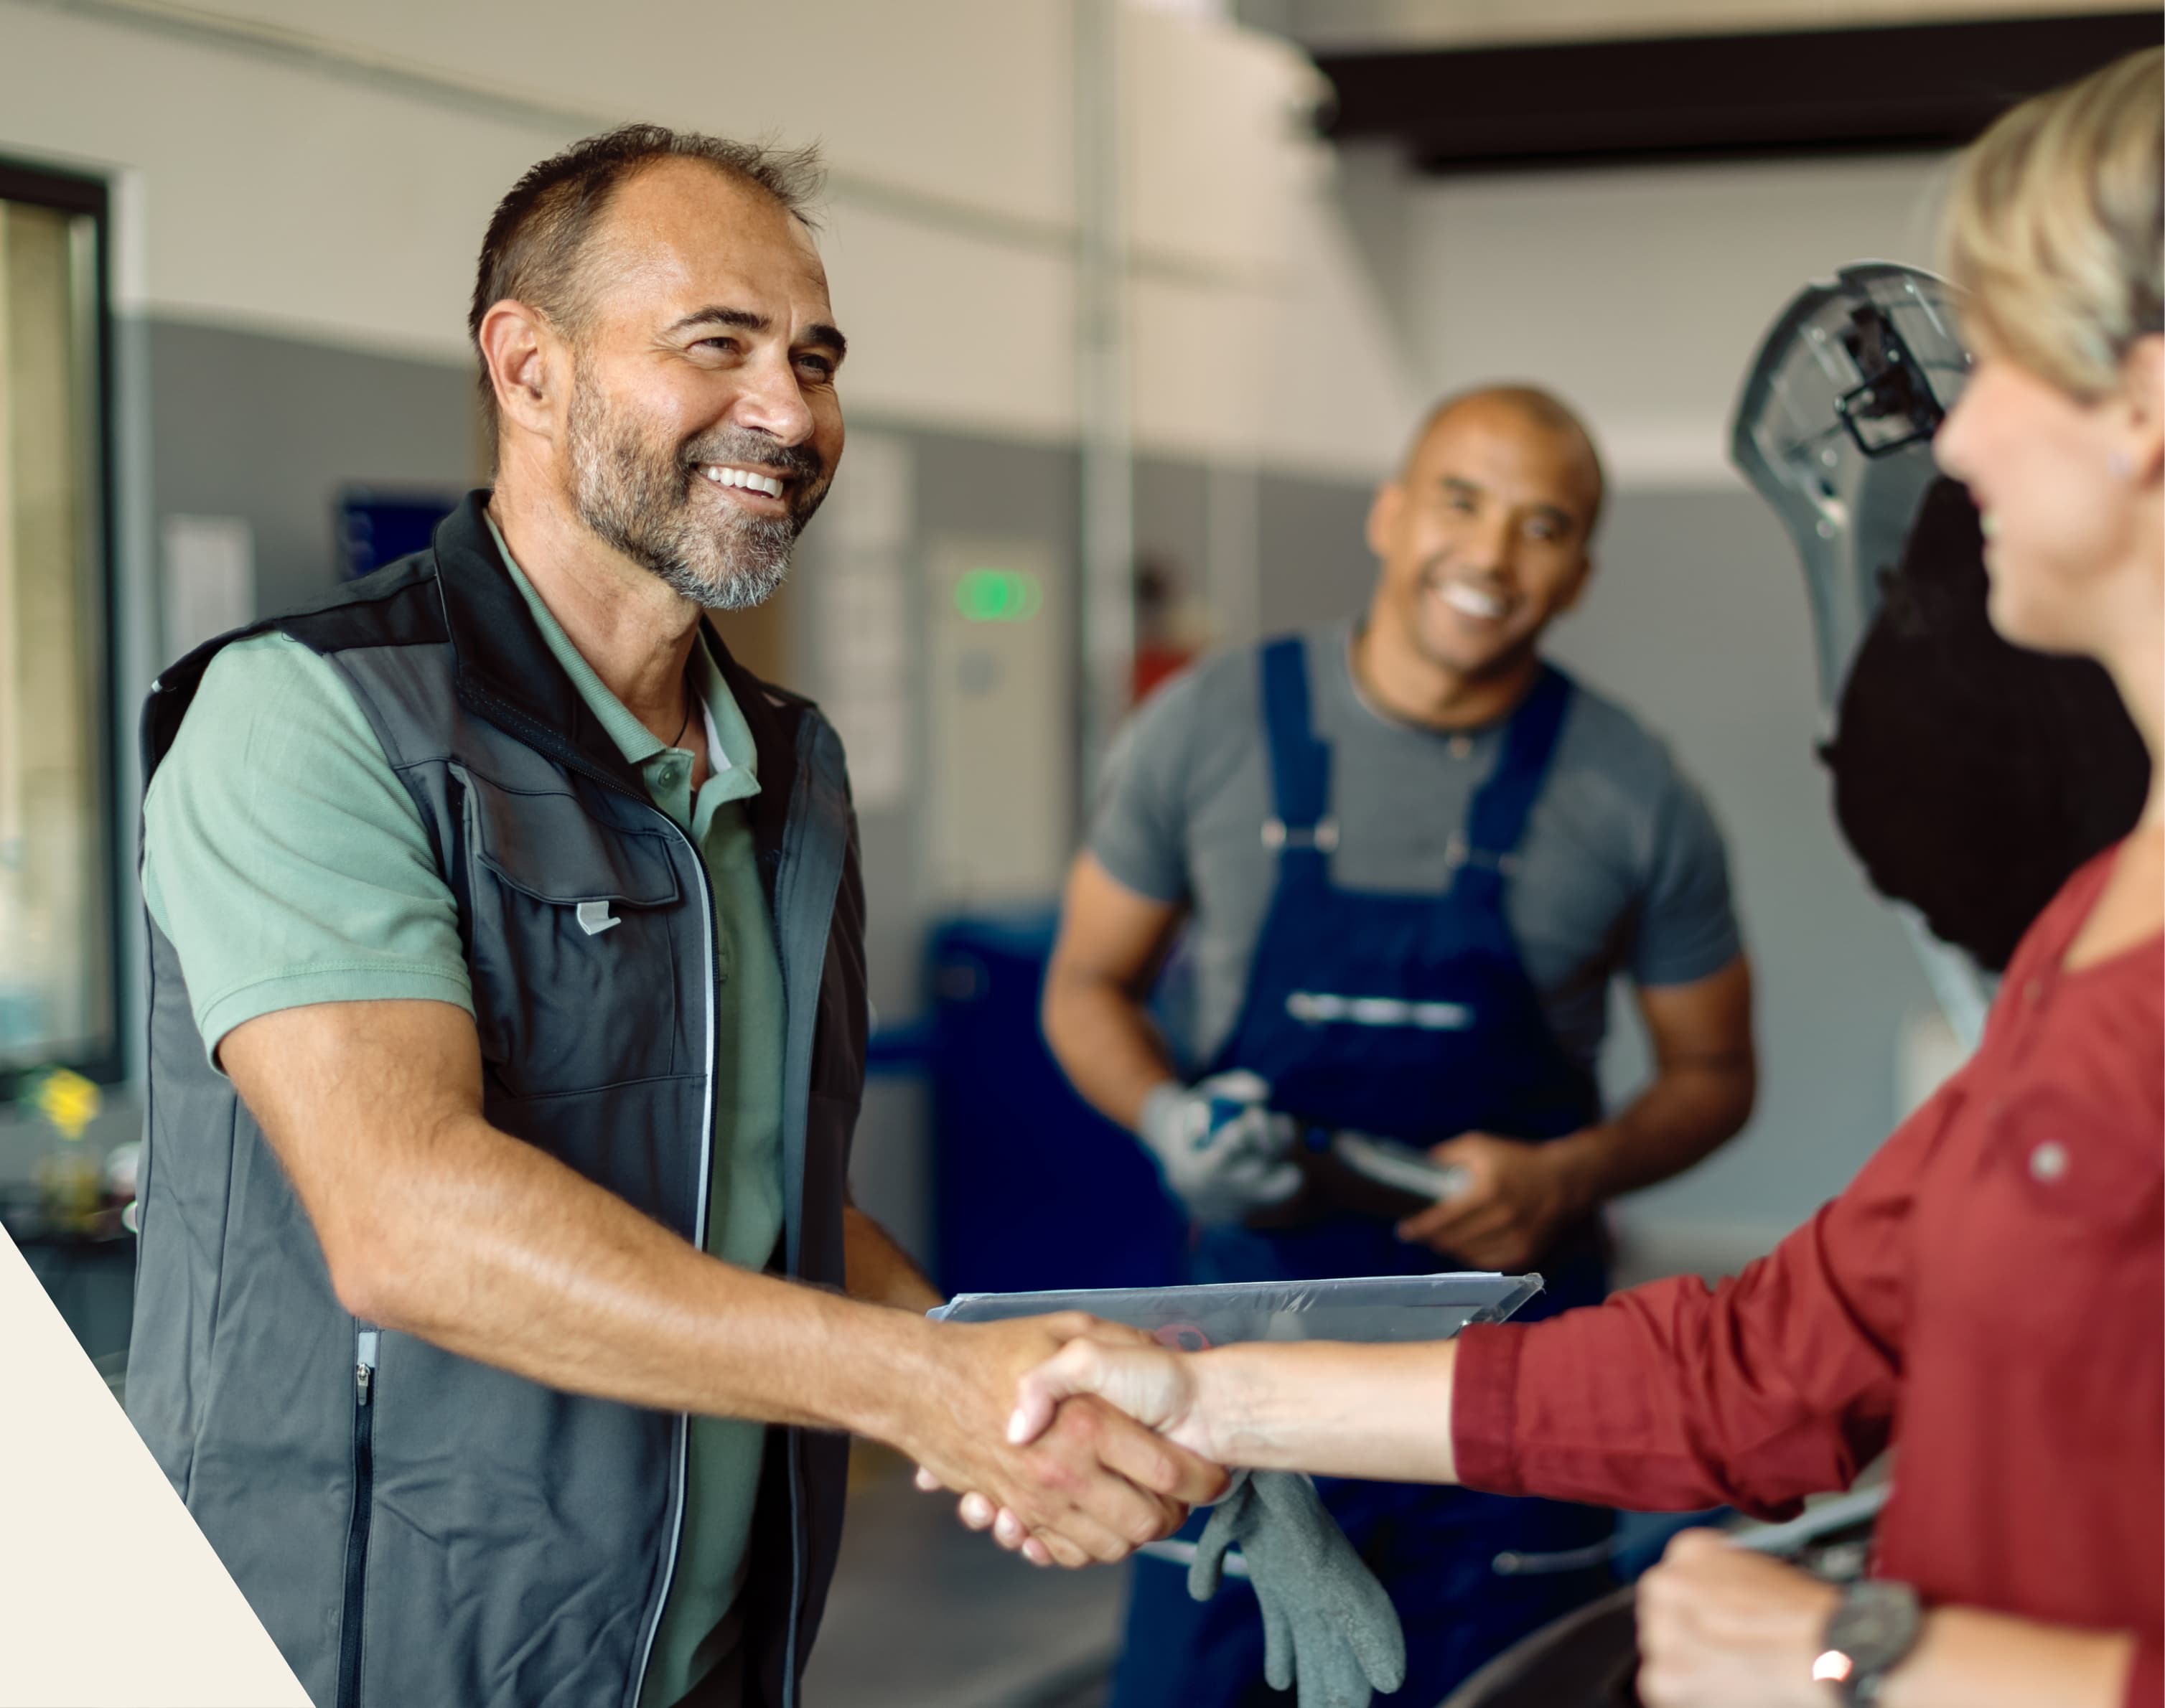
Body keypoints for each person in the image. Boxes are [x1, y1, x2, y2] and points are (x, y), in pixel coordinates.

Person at [1008, 47, 2165, 1708]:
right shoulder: (2084, 918)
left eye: (2004, 364)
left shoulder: (1626, 787)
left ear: (2140, 405)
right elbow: (1769, 1362)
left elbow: (1715, 1106)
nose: (1957, 434)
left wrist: (1865, 1657)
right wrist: (1209, 1392)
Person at [126, 127, 1219, 1708]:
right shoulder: (312, 717)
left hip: (703, 1659)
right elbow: (405, 1222)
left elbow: (767, 1193)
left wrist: (1058, 1401)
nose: (788, 412)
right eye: (717, 344)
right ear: (529, 366)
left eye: (814, 360)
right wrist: (917, 1383)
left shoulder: (787, 767)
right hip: (359, 1654)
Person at [1036, 382, 1757, 1704]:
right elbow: (1086, 985)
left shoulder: (1633, 792)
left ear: (1580, 574)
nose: (1491, 555)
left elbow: (1716, 1074)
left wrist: (1569, 1175)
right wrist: (1165, 1121)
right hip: (1238, 1389)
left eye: (1542, 526)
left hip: (1515, 1397)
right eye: (1460, 503)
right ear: (1390, 514)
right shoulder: (1209, 725)